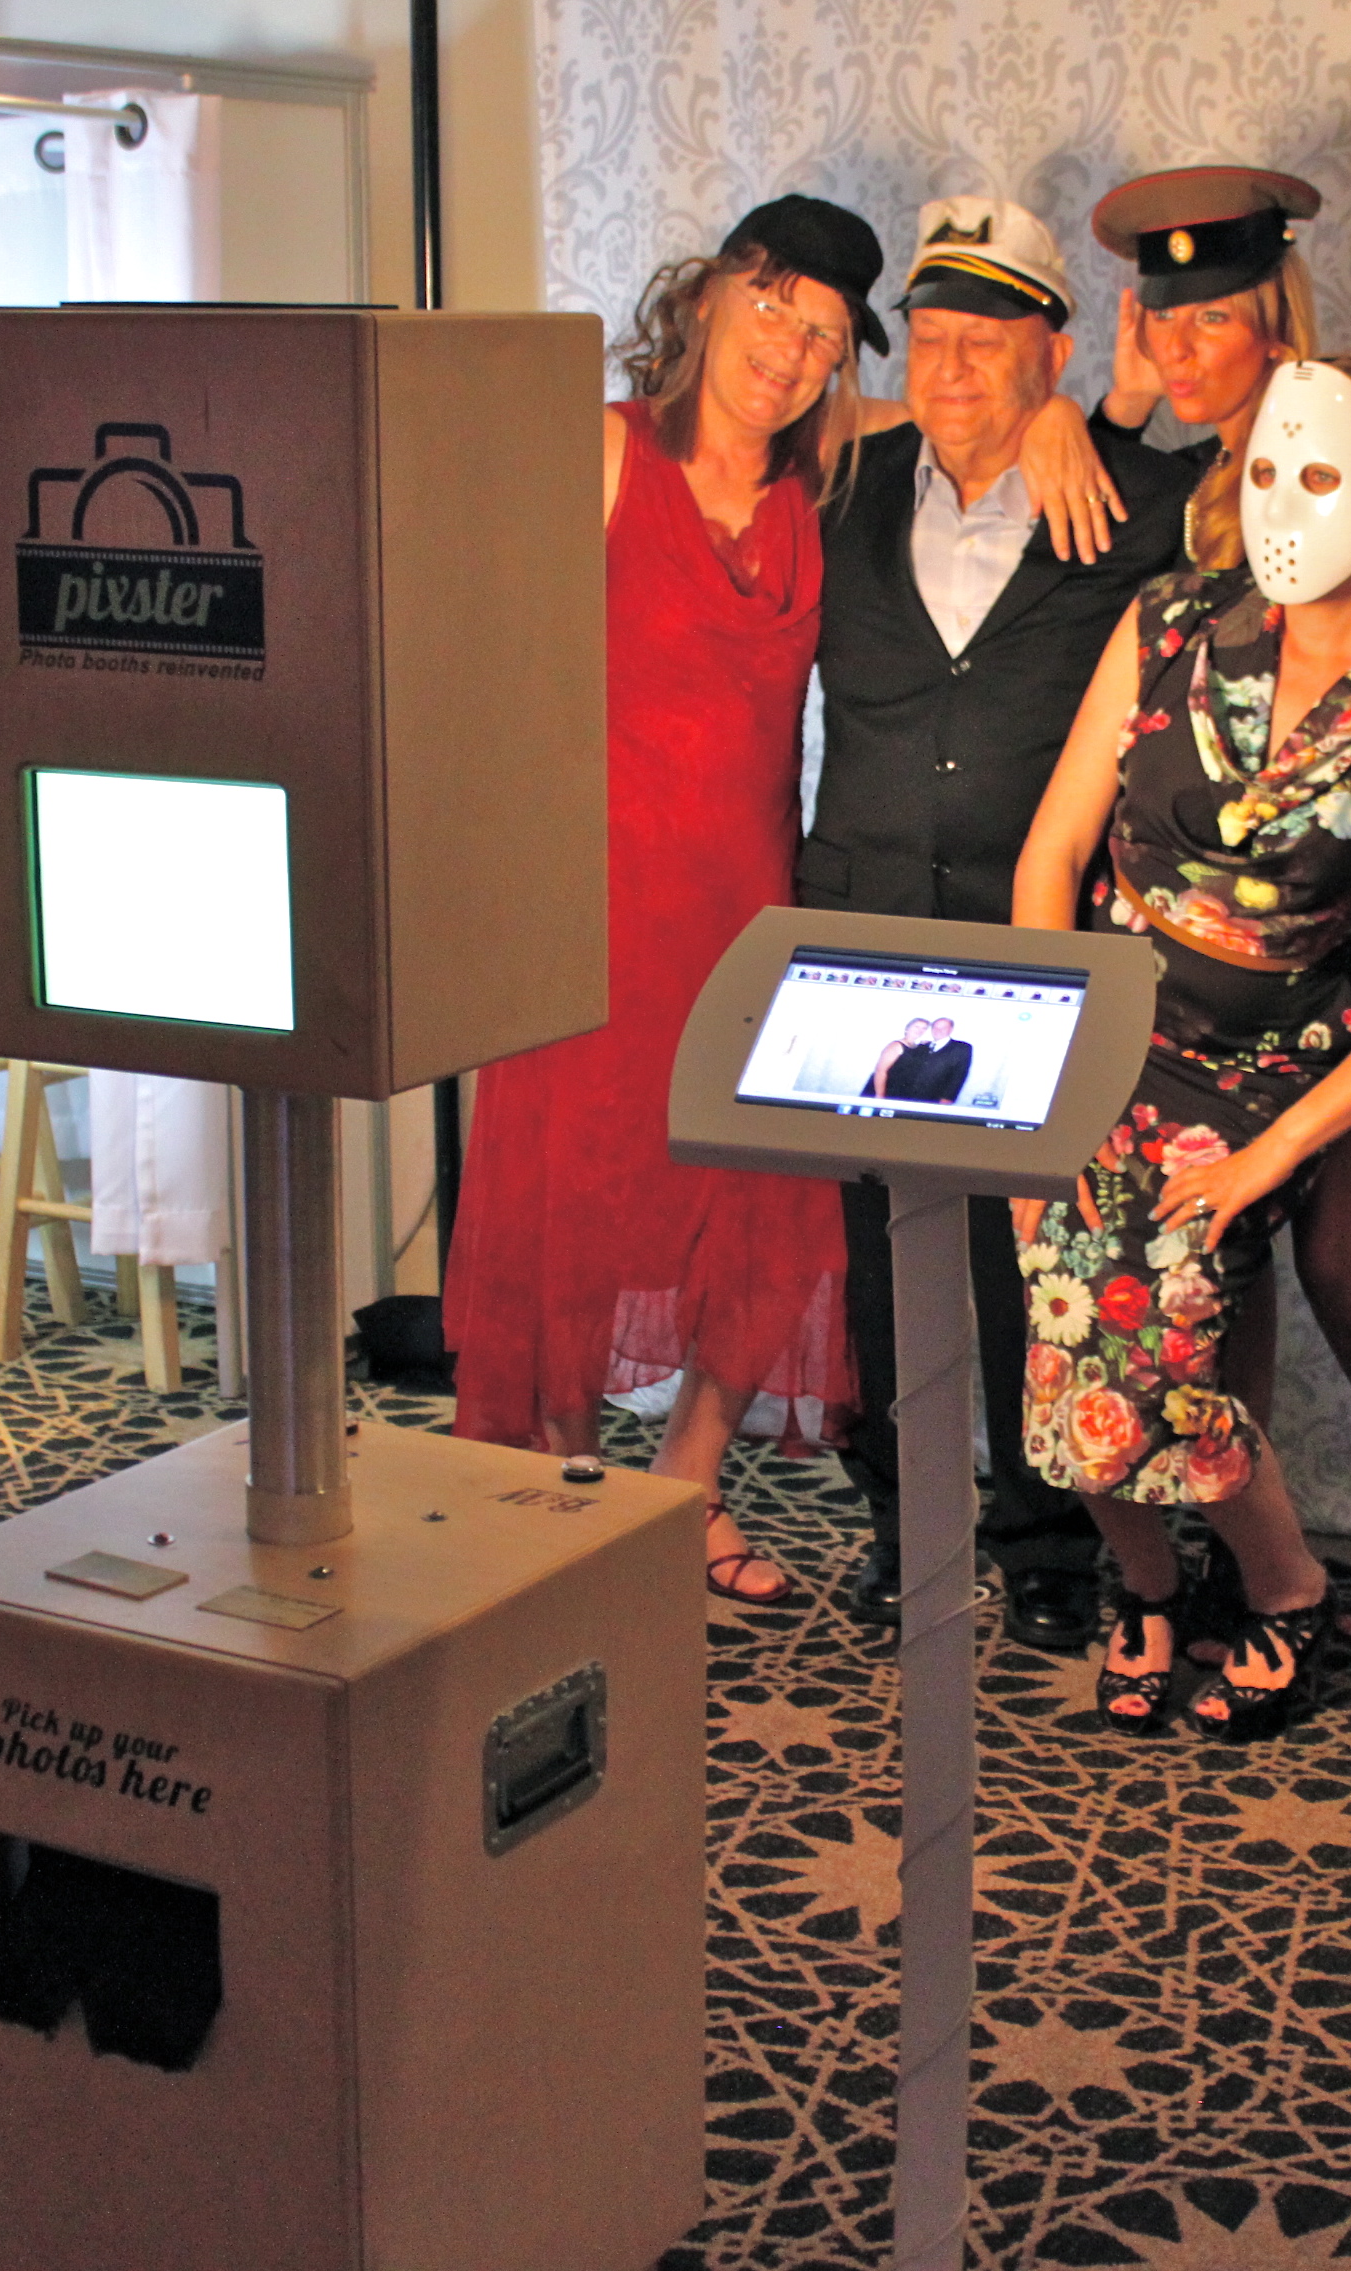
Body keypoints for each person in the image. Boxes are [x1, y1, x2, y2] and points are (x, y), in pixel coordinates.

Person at [1012, 349, 1351, 1742]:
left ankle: (1284, 1590)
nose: (1286, 500)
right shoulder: (1168, 623)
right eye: (1269, 469)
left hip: (1267, 1072)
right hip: (1101, 1031)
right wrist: (1042, 1076)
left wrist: (1275, 1152)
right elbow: (1051, 851)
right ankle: (1150, 1587)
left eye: (1323, 472)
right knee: (1059, 1334)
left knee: (1151, 1333)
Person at [443, 195, 887, 1608]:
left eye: (822, 336)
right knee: (571, 1213)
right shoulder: (598, 450)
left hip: (753, 917)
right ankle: (570, 1496)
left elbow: (972, 422)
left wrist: (1063, 417)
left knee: (769, 1216)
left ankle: (686, 1487)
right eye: (771, 307)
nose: (789, 349)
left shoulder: (827, 479)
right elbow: (483, 652)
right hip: (592, 909)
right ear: (705, 298)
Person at [804, 196, 1199, 1652]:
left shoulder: (1137, 498)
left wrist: (1105, 417)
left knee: (1025, 1256)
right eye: (930, 337)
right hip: (859, 923)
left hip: (1036, 938)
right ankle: (901, 1525)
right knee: (877, 1260)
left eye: (987, 338)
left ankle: (1045, 1541)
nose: (953, 366)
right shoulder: (844, 481)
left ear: (1053, 350)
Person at [865, 1018, 933, 1099]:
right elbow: (880, 1071)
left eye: (924, 1028)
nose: (920, 1030)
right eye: (916, 1027)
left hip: (899, 1091)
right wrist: (880, 1095)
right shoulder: (896, 1045)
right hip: (885, 1090)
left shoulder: (918, 1047)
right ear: (907, 1028)